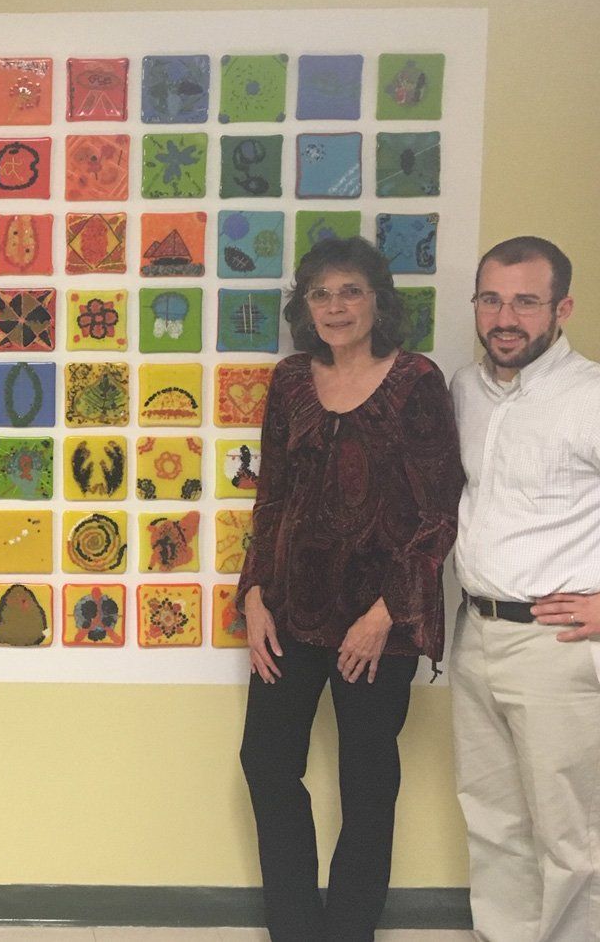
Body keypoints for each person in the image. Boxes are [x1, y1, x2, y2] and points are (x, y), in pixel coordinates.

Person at [236, 236, 464, 941]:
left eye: (351, 291)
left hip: (379, 620)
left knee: (368, 783)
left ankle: (349, 930)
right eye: (321, 293)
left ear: (378, 300)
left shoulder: (417, 379)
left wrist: (386, 613)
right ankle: (298, 928)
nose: (336, 306)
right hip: (290, 610)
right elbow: (271, 495)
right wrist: (251, 597)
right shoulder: (292, 380)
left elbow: (439, 511)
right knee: (267, 763)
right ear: (305, 306)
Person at [450, 236, 600, 941]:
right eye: (491, 298)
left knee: (571, 834)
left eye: (525, 301)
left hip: (556, 645)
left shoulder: (591, 395)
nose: (505, 317)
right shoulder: (463, 390)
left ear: (561, 307)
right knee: (494, 818)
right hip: (475, 636)